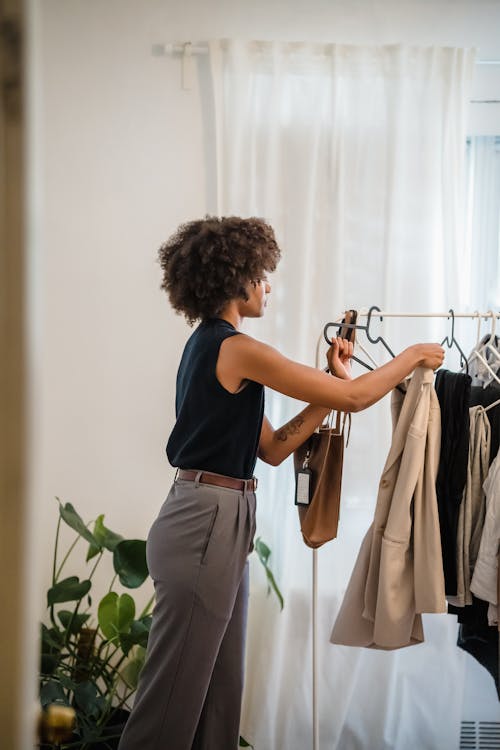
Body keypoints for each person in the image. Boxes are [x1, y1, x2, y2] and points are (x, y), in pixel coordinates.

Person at [117, 215, 444, 750]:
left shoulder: (214, 349)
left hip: (216, 517)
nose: (268, 285)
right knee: (168, 715)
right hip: (206, 520)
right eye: (263, 274)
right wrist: (411, 357)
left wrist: (332, 383)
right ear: (236, 278)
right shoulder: (234, 348)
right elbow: (359, 398)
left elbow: (271, 450)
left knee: (218, 702)